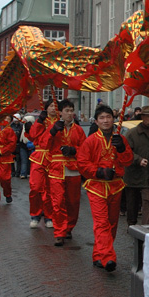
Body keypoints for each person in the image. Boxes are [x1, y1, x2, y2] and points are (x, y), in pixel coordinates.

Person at [77, 104, 133, 271]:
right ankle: (108, 257)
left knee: (112, 223)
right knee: (101, 223)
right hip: (96, 187)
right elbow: (82, 163)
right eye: (102, 118)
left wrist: (122, 149)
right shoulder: (91, 140)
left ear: (113, 119)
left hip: (116, 186)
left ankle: (98, 255)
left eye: (108, 117)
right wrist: (99, 172)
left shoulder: (120, 139)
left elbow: (128, 161)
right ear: (96, 121)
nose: (106, 120)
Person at [46, 99, 86, 246]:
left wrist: (74, 150)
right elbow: (44, 144)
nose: (70, 113)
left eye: (71, 110)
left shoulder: (79, 130)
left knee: (73, 202)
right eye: (67, 111)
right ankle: (59, 231)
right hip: (56, 169)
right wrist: (52, 132)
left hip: (73, 169)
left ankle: (69, 227)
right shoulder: (54, 127)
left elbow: (85, 149)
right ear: (60, 112)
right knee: (57, 202)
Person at [123, 105, 149, 226]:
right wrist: (138, 160)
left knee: (147, 202)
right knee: (132, 204)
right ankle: (132, 225)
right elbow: (125, 152)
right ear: (143, 117)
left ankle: (146, 229)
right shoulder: (132, 133)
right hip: (133, 175)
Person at [26, 99, 59, 229]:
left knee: (50, 190)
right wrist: (39, 121)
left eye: (55, 106)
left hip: (53, 157)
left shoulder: (60, 122)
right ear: (46, 108)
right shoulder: (41, 120)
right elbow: (33, 135)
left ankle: (49, 216)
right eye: (50, 106)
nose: (53, 108)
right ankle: (35, 214)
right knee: (35, 187)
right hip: (39, 156)